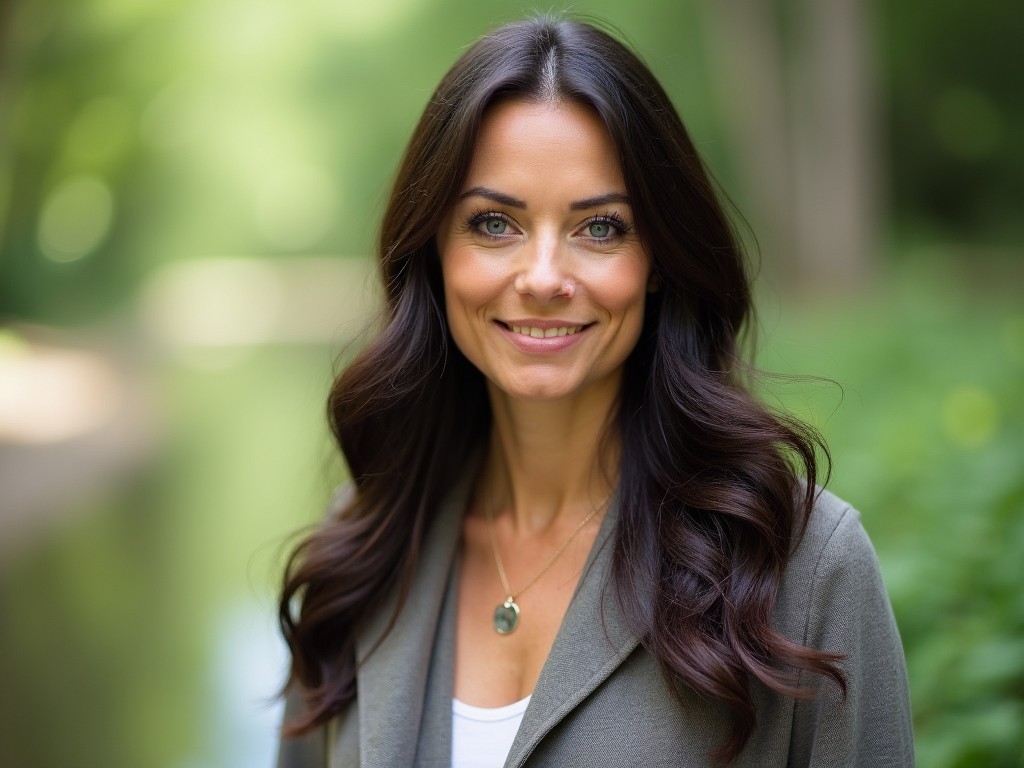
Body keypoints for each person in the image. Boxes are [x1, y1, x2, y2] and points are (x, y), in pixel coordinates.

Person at [276, 16, 913, 768]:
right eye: (493, 223)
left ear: (660, 260)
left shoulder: (800, 564)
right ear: (434, 254)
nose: (544, 277)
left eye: (601, 229)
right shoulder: (364, 547)